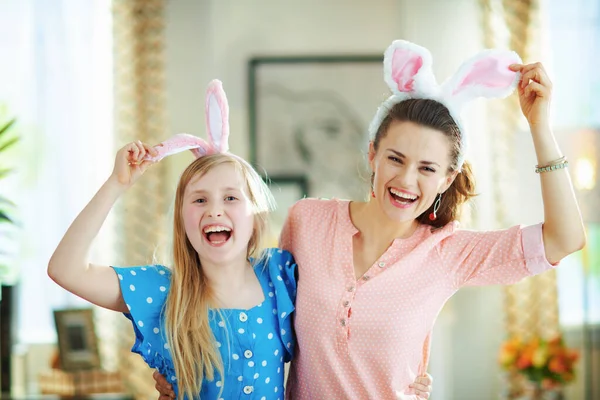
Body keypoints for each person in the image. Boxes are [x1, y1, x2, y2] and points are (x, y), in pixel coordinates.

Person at [48, 80, 299, 399]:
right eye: (199, 200)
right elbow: (64, 269)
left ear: (257, 217)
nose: (215, 211)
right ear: (182, 221)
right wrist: (116, 184)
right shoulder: (164, 290)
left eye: (231, 198)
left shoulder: (280, 276)